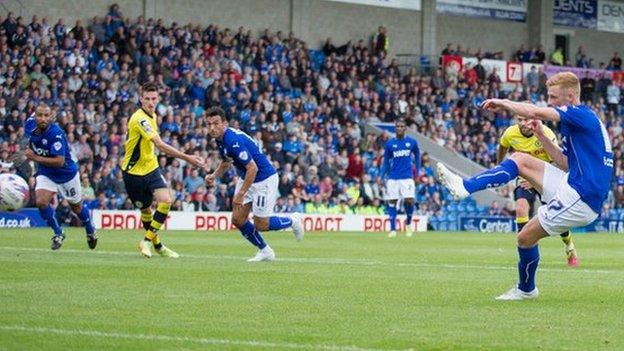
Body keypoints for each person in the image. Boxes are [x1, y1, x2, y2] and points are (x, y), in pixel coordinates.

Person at [436, 72, 613, 300]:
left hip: (582, 198)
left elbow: (534, 111)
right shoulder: (580, 122)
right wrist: (541, 133)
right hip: (573, 183)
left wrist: (504, 103)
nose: (550, 102)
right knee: (519, 158)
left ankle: (526, 290)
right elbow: (564, 163)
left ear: (570, 95)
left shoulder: (579, 114)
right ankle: (464, 187)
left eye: (553, 96)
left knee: (525, 238)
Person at [204, 107, 304, 262]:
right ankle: (265, 251)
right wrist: (214, 175)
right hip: (247, 178)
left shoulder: (232, 140)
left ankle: (293, 220)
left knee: (261, 224)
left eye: (215, 123)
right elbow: (226, 161)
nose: (212, 128)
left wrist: (241, 193)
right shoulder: (220, 139)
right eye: (209, 124)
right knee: (237, 219)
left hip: (263, 179)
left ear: (224, 123)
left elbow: (253, 167)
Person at [122, 82, 204, 258]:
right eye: (147, 99)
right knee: (145, 210)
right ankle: (158, 246)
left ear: (158, 99)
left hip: (151, 167)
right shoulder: (140, 119)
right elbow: (159, 144)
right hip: (133, 172)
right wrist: (187, 157)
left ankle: (146, 241)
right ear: (140, 99)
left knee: (166, 201)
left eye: (154, 99)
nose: (151, 102)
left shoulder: (153, 116)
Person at [497, 116, 578, 266]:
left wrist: (536, 179)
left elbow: (556, 161)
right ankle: (526, 249)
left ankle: (569, 246)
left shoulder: (546, 134)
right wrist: (498, 166)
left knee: (557, 216)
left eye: (526, 119)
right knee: (521, 208)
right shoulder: (510, 133)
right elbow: (503, 146)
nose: (523, 123)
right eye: (520, 119)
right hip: (524, 179)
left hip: (547, 177)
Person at [24, 104, 96, 250]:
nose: (43, 119)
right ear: (35, 116)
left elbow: (59, 161)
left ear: (51, 117)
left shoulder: (56, 134)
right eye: (40, 115)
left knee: (76, 207)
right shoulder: (29, 126)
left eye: (46, 116)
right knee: (41, 202)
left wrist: (35, 157)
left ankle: (90, 227)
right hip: (46, 172)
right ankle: (58, 232)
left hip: (66, 174)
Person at [380, 118, 420, 238]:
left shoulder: (412, 142)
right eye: (398, 126)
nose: (400, 128)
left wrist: (417, 173)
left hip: (407, 176)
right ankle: (393, 229)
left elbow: (418, 157)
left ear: (405, 128)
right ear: (395, 128)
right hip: (393, 177)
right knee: (392, 201)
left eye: (402, 126)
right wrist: (382, 176)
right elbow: (386, 161)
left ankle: (408, 223)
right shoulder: (390, 144)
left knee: (409, 200)